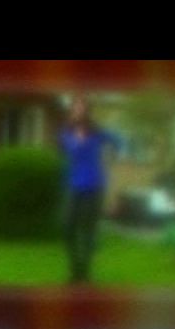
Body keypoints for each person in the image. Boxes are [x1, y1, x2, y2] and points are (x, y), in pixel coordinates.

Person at [57, 96, 123, 285]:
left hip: (95, 186)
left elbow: (119, 141)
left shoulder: (97, 133)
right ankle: (75, 269)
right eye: (75, 108)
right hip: (73, 186)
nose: (77, 111)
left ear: (87, 111)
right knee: (68, 227)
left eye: (81, 108)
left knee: (87, 231)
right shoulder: (65, 134)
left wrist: (113, 158)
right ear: (71, 111)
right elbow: (65, 153)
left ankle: (83, 276)